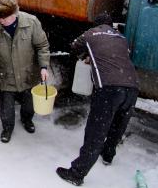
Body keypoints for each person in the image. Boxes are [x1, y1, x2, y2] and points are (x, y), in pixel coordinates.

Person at [56, 13, 139, 186]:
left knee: (96, 131)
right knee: (118, 125)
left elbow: (74, 47)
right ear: (111, 25)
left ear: (96, 25)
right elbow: (119, 56)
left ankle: (76, 174)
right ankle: (108, 155)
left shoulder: (90, 34)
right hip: (132, 87)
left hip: (109, 89)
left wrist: (85, 56)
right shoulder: (121, 38)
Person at [0, 0, 50, 143]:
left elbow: (42, 46)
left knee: (28, 105)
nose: (1, 21)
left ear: (15, 12)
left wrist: (44, 66)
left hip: (28, 74)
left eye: (4, 17)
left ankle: (27, 120)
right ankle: (7, 128)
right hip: (5, 76)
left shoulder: (31, 22)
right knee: (6, 109)